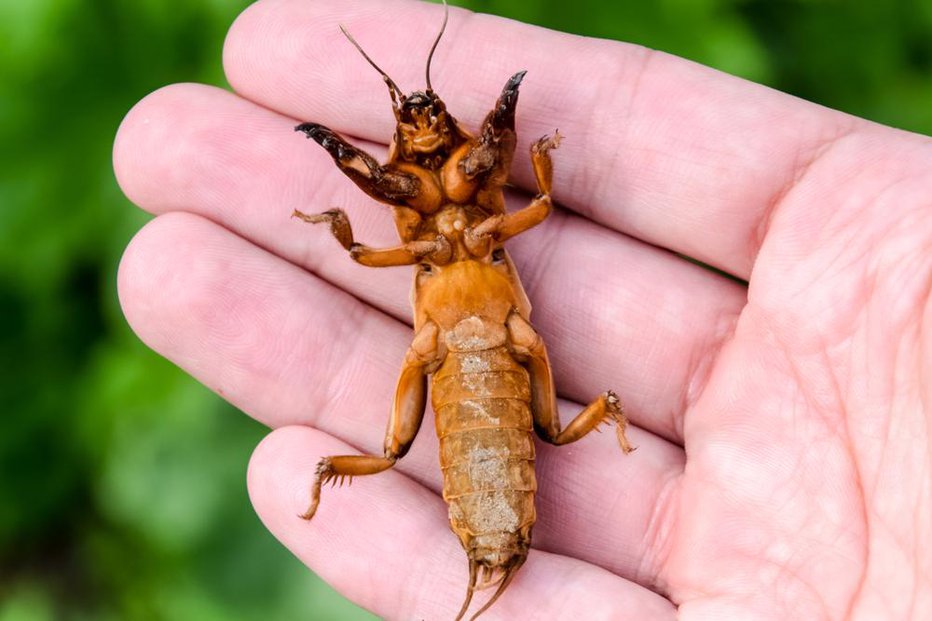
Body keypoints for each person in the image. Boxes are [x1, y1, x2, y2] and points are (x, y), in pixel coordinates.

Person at [113, 1, 931, 618]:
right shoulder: (437, 210)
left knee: (515, 427)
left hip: (491, 357)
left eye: (439, 130)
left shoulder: (471, 202)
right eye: (415, 132)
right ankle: (371, 481)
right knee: (396, 447)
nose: (429, 144)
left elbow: (517, 202)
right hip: (472, 355)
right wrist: (339, 169)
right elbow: (366, 247)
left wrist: (519, 145)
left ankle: (509, 475)